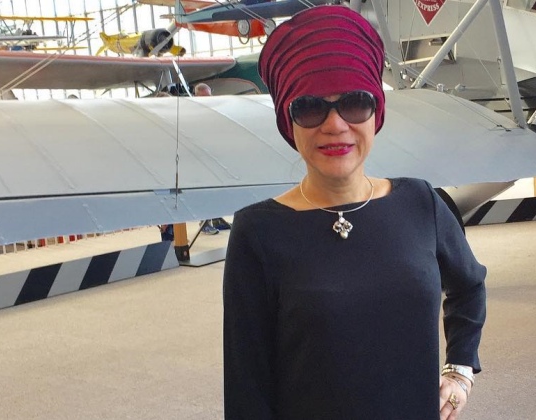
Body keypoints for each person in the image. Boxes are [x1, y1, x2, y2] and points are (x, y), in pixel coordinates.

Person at [223, 6, 486, 420]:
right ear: (288, 121)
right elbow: (247, 385)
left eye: (355, 103)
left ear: (376, 110)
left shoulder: (420, 203)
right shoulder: (259, 232)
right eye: (310, 107)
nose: (335, 125)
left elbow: (469, 286)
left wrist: (460, 372)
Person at [194, 82, 232, 232]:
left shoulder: (213, 111)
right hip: (200, 158)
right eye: (203, 97)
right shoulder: (192, 113)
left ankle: (216, 218)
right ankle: (205, 222)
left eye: (209, 97)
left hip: (214, 155)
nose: (208, 100)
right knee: (204, 189)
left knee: (218, 187)